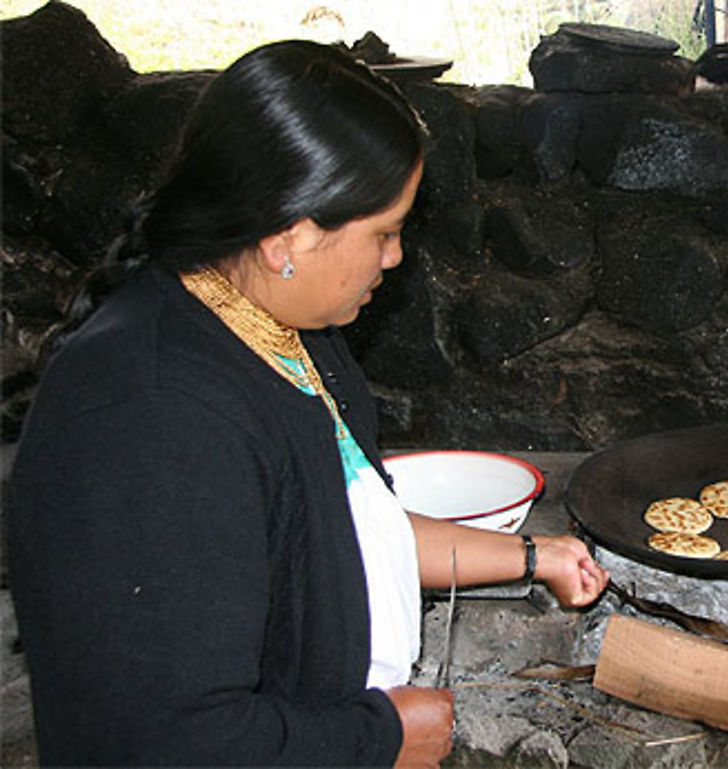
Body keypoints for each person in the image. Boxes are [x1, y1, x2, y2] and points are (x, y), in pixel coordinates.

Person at [8, 40, 608, 768]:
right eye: (384, 232)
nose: (396, 258)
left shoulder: (290, 333)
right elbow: (164, 742)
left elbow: (348, 531)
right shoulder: (153, 419)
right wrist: (379, 738)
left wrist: (533, 556)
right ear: (287, 234)